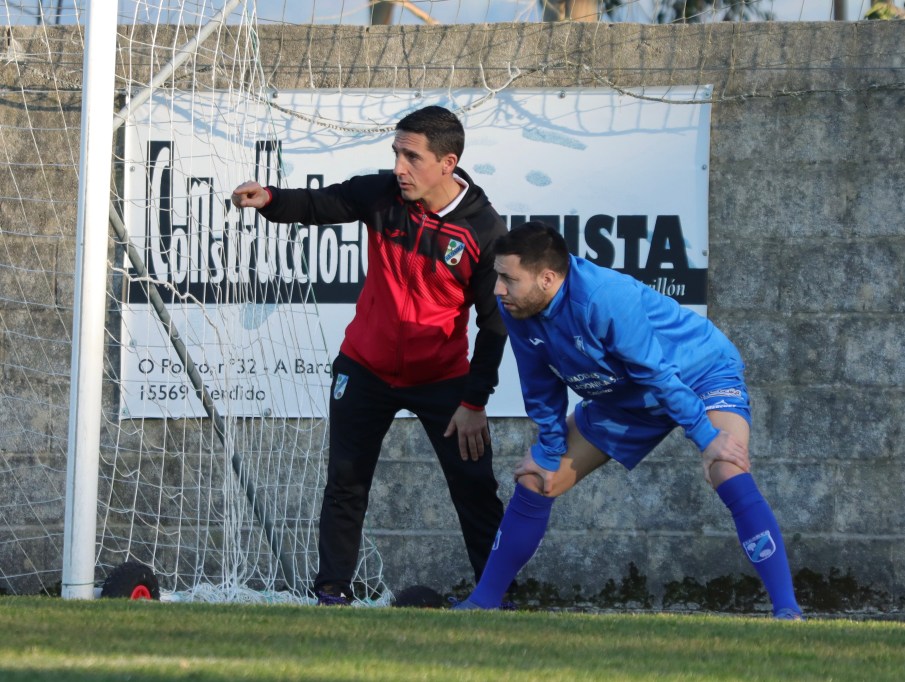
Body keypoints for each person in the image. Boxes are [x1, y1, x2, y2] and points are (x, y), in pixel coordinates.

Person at [231, 105, 510, 606]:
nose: (400, 167)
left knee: (475, 488)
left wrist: (474, 400)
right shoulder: (382, 193)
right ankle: (332, 593)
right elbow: (323, 204)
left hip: (443, 381)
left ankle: (495, 597)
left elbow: (494, 324)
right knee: (346, 481)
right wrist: (270, 199)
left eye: (412, 157)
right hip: (364, 367)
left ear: (448, 163)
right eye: (397, 153)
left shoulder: (485, 230)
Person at [455, 221, 802, 619]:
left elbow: (656, 373)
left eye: (507, 279)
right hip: (625, 396)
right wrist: (550, 447)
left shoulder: (604, 297)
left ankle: (788, 613)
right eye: (498, 276)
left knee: (726, 464)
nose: (498, 289)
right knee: (536, 479)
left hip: (697, 372)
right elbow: (538, 382)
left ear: (547, 278)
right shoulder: (515, 304)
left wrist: (708, 437)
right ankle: (482, 604)